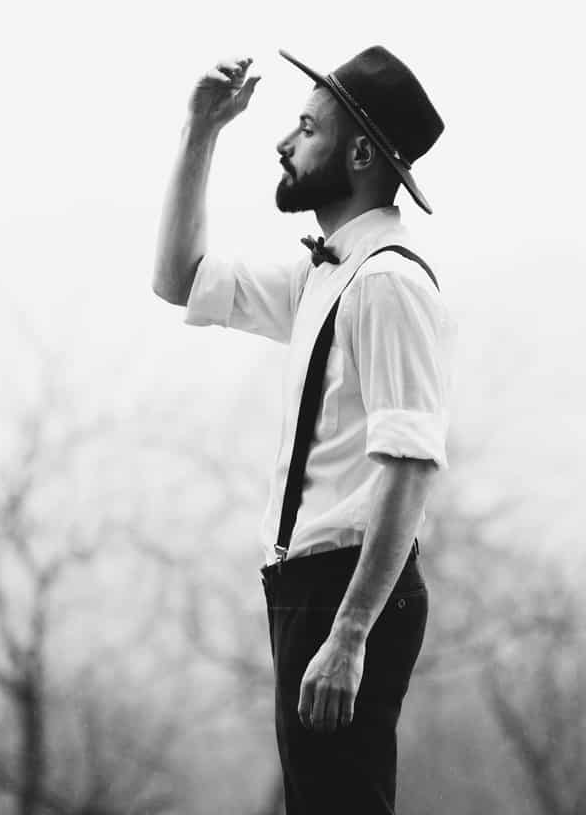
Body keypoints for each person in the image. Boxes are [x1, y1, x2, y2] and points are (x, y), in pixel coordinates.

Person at [153, 45, 454, 814]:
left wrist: (350, 633)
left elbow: (409, 467)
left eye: (305, 127)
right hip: (305, 588)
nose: (285, 142)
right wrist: (200, 131)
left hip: (347, 589)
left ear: (358, 153)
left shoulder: (385, 282)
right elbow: (178, 277)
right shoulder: (327, 274)